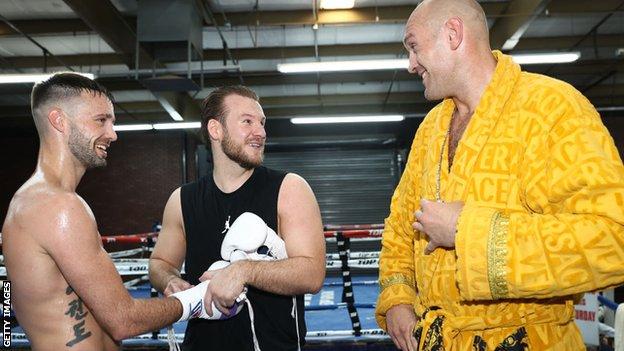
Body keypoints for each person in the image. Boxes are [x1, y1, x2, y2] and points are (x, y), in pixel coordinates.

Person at [375, 0, 624, 350]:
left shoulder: (553, 109)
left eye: (413, 47)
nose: (411, 65)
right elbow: (400, 227)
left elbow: (613, 239)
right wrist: (398, 298)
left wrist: (466, 230)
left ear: (453, 34)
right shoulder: (430, 129)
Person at [1, 73, 213, 350]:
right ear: (59, 120)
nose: (112, 134)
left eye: (112, 122)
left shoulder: (39, 200)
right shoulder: (57, 206)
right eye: (101, 120)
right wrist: (199, 300)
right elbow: (123, 320)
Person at [149, 85, 326, 350]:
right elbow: (160, 262)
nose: (261, 132)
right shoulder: (182, 200)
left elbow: (312, 274)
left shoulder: (289, 189)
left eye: (262, 123)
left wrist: (243, 271)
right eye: (247, 122)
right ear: (215, 130)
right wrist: (170, 280)